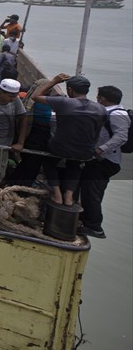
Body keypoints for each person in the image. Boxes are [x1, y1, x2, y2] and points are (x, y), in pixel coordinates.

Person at [30, 74, 106, 206]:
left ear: (70, 90)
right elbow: (97, 133)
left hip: (60, 147)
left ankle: (57, 194)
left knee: (49, 162)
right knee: (75, 165)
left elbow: (35, 96)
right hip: (85, 151)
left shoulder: (63, 102)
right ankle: (69, 196)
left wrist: (54, 81)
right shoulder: (101, 109)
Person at [78, 85, 129, 238]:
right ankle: (85, 219)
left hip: (105, 161)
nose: (97, 99)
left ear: (103, 99)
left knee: (92, 192)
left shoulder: (117, 114)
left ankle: (94, 227)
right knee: (88, 190)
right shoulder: (109, 112)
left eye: (98, 96)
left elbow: (121, 137)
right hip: (100, 159)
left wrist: (101, 150)